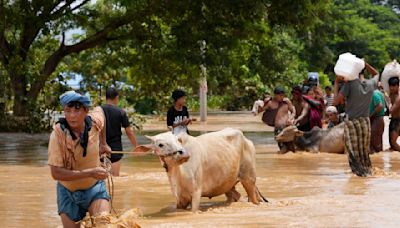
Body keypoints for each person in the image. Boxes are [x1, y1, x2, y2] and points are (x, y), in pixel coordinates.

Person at [48, 91, 111, 227]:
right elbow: (56, 173)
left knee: (104, 225)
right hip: (67, 192)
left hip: (95, 188)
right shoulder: (57, 136)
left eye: (77, 110)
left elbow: (101, 112)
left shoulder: (94, 123)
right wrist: (91, 172)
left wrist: (103, 143)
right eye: (68, 110)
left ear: (86, 111)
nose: (72, 116)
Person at [333, 61, 379, 176]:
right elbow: (376, 74)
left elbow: (335, 102)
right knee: (364, 151)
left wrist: (337, 83)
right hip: (365, 121)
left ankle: (358, 175)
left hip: (352, 122)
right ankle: (367, 172)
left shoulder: (349, 85)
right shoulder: (370, 84)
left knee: (353, 151)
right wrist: (366, 64)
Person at [101, 88, 138, 176]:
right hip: (115, 148)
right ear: (117, 98)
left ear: (105, 97)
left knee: (101, 178)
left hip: (100, 147)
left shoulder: (98, 110)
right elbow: (129, 132)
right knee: (115, 177)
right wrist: (136, 146)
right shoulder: (120, 112)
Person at [261, 87, 295, 153]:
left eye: (283, 95)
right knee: (282, 148)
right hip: (278, 129)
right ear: (275, 95)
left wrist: (291, 118)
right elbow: (260, 110)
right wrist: (264, 102)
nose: (282, 97)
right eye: (280, 95)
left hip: (288, 128)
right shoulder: (270, 103)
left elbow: (293, 111)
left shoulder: (286, 101)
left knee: (291, 147)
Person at [369, 89, 385, 153]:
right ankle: (379, 161)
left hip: (377, 118)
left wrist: (371, 115)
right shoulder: (376, 92)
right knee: (377, 142)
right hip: (378, 119)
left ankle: (377, 160)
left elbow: (380, 106)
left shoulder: (374, 94)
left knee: (375, 141)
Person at [388, 77, 400, 152]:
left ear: (398, 86)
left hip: (398, 121)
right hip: (393, 120)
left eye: (393, 86)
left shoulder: (399, 97)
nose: (391, 88)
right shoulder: (391, 94)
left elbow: (392, 110)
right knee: (392, 144)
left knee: (393, 143)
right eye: (390, 86)